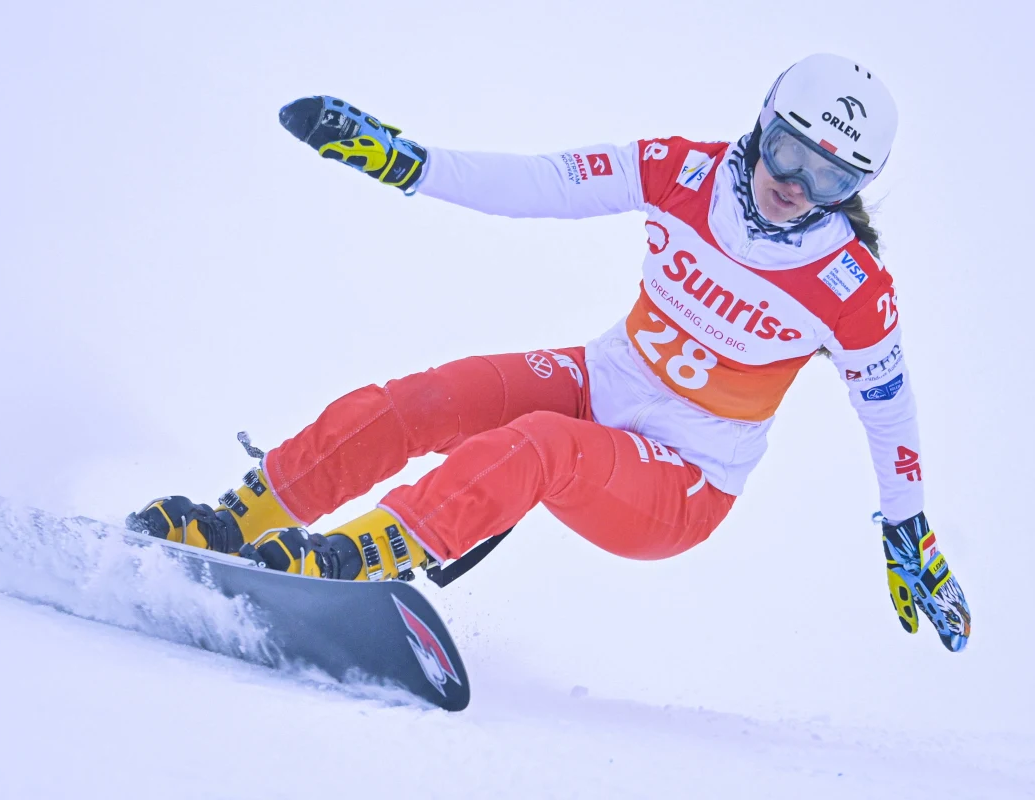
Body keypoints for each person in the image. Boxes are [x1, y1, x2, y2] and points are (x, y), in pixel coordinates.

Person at [129, 54, 970, 652]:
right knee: (431, 398)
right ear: (761, 125)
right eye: (788, 152)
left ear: (853, 188)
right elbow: (540, 183)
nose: (796, 184)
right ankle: (240, 522)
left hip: (684, 483)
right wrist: (406, 162)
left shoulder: (853, 287)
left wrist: (910, 532)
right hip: (600, 383)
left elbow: (887, 411)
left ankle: (349, 563)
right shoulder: (685, 171)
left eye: (829, 178)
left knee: (538, 448)